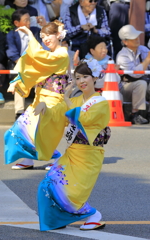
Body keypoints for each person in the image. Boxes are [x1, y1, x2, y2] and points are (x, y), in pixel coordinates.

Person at [33, 59, 111, 231]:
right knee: (50, 184)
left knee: (72, 192)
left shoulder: (101, 102)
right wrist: (45, 107)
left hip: (89, 155)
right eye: (77, 77)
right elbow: (58, 112)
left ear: (94, 78)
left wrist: (67, 98)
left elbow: (84, 119)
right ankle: (57, 220)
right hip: (72, 153)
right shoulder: (76, 100)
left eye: (85, 76)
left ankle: (92, 215)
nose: (81, 81)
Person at [4, 20, 70, 169]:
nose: (45, 39)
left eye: (48, 36)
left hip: (53, 101)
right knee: (19, 129)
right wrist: (16, 81)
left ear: (58, 35)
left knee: (40, 131)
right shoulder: (50, 55)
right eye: (42, 36)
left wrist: (29, 34)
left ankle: (56, 157)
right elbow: (33, 70)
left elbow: (39, 58)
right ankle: (27, 159)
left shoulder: (61, 53)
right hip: (40, 99)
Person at [6, 9, 42, 120]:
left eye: (29, 19)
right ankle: (19, 112)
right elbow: (12, 54)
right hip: (20, 65)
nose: (29, 22)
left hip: (36, 65)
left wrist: (44, 24)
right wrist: (25, 66)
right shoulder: (11, 35)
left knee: (42, 79)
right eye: (26, 20)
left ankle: (39, 108)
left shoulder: (36, 31)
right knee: (19, 80)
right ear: (17, 23)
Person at [116, 24, 150, 124]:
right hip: (126, 87)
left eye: (137, 36)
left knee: (143, 84)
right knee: (141, 84)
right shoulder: (122, 56)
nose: (137, 39)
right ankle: (135, 114)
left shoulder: (143, 49)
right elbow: (135, 74)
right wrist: (147, 61)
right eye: (133, 38)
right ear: (125, 42)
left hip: (144, 82)